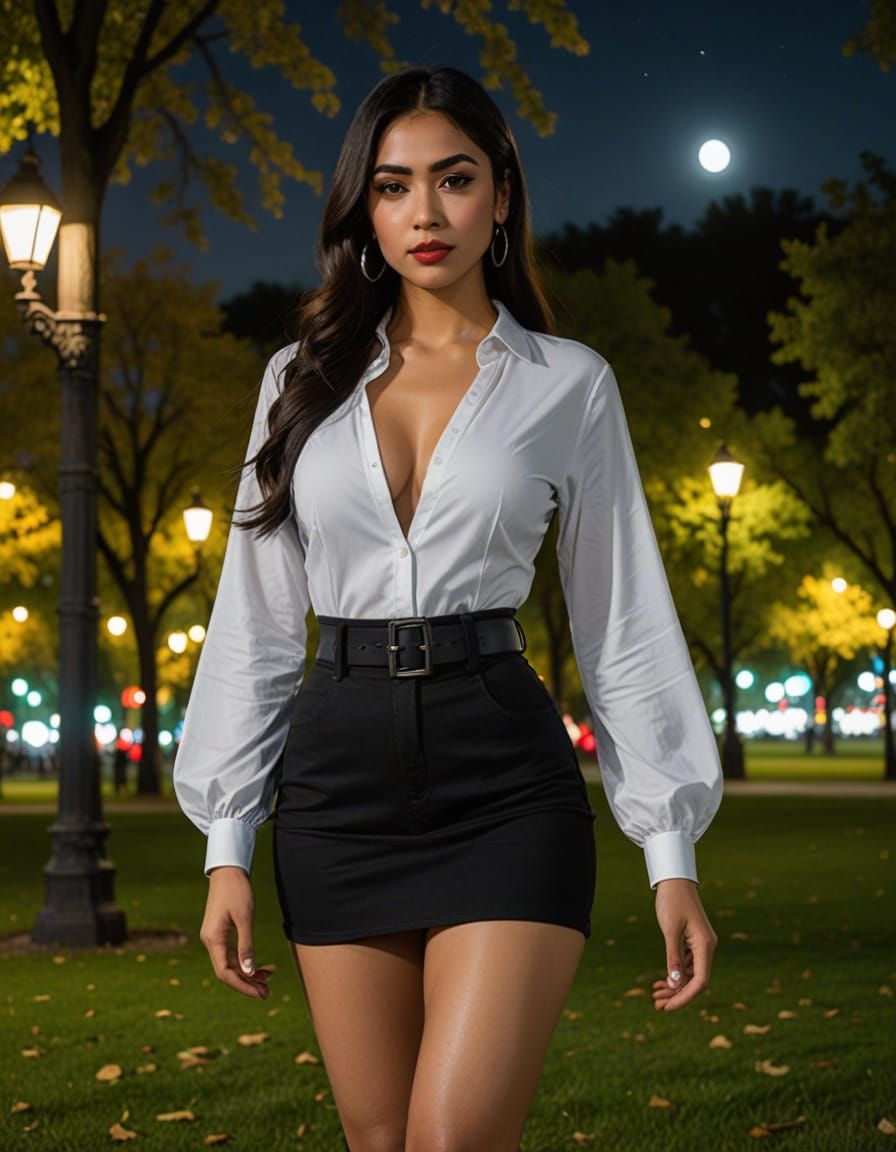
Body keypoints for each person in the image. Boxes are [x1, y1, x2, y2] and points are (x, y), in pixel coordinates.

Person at [173, 64, 723, 1152]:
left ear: (501, 195)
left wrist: (671, 856)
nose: (424, 213)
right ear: (361, 209)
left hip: (502, 782)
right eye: (391, 185)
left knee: (452, 1140)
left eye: (453, 179)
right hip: (335, 786)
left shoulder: (570, 382)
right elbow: (258, 622)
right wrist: (225, 841)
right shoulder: (297, 379)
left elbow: (620, 620)